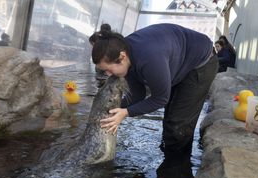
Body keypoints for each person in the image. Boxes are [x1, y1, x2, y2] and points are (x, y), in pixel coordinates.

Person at [90, 23, 219, 156]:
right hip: (178, 61)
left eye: (108, 70)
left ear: (121, 57)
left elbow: (160, 99)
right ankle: (169, 155)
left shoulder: (149, 58)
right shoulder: (124, 51)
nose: (108, 75)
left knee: (177, 126)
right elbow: (137, 95)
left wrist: (125, 113)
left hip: (201, 63)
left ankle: (176, 167)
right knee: (170, 120)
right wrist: (113, 111)